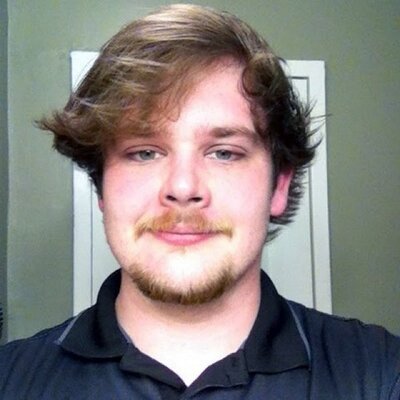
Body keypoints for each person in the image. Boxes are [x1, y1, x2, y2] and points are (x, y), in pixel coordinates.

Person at [1, 4, 399, 399]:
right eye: (144, 152)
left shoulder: (381, 373)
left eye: (224, 153)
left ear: (278, 186)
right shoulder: (9, 381)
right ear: (101, 186)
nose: (183, 187)